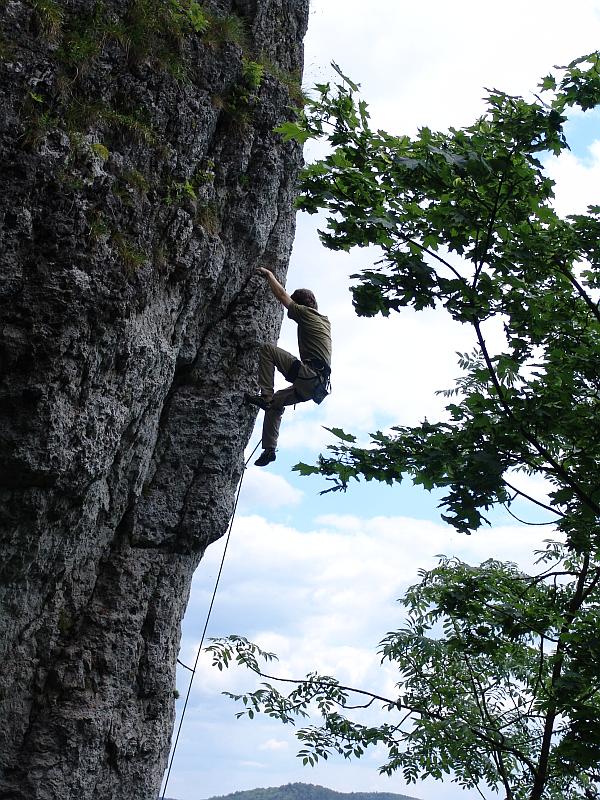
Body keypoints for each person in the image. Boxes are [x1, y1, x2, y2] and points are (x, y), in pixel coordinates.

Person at [245, 267, 332, 467]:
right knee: (276, 404)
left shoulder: (306, 314)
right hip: (315, 386)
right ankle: (269, 450)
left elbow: (282, 296)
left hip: (309, 375)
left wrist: (269, 275)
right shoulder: (324, 321)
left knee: (267, 350)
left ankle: (265, 395)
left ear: (302, 305)